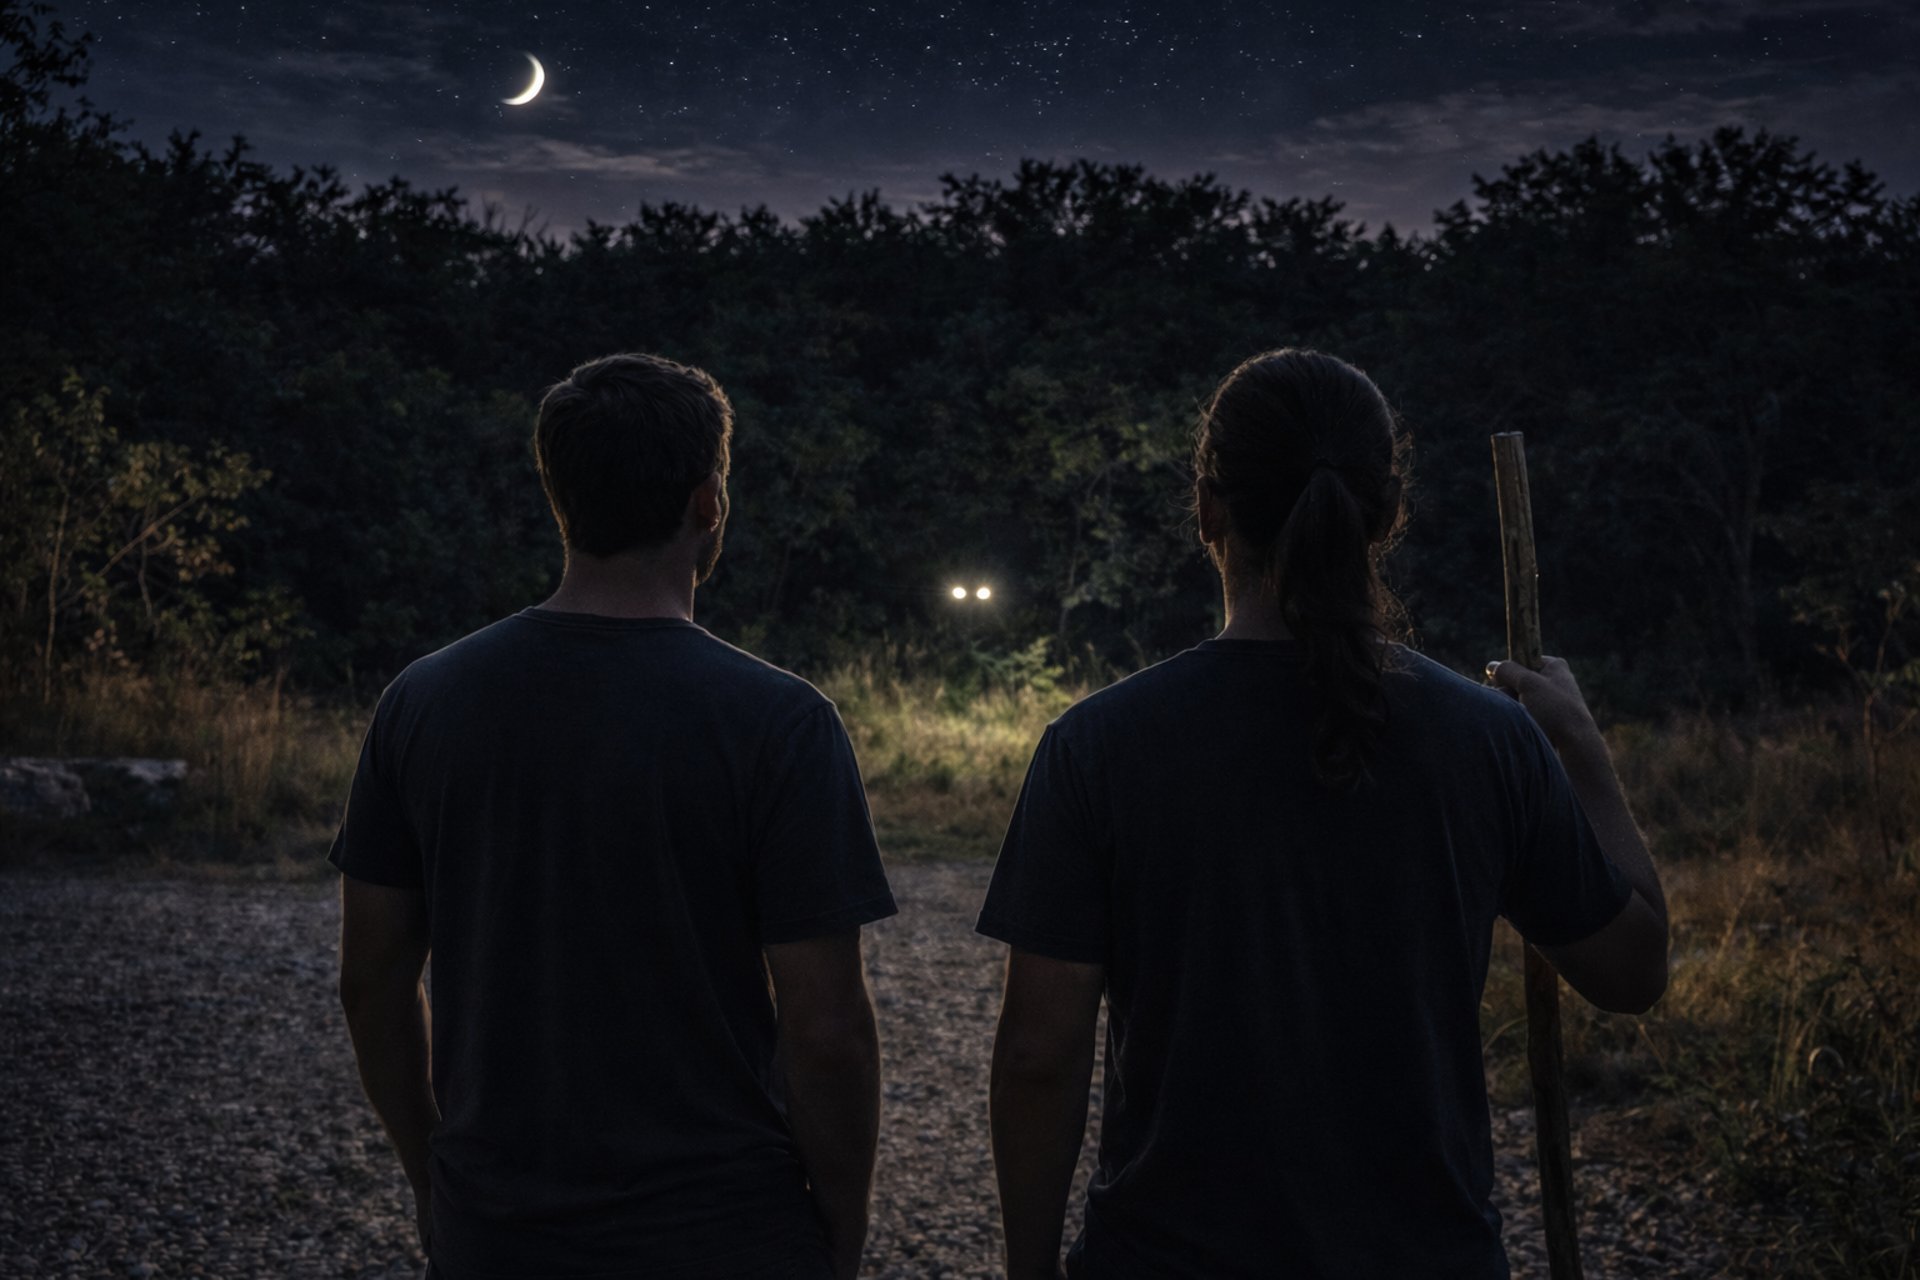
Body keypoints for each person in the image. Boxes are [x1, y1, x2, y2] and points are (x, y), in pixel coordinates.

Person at [979, 348, 1668, 1278]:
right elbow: (1632, 968)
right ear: (1387, 516)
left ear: (1207, 510)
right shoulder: (1489, 742)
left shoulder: (1099, 746)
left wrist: (1028, 1271)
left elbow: (1036, 1056)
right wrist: (1582, 751)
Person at [332, 353, 897, 1280]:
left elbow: (372, 985)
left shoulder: (423, 703)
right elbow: (827, 1028)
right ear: (708, 501)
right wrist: (840, 1226)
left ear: (560, 496)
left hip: (500, 1231)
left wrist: (437, 1180)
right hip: (726, 1231)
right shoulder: (781, 722)